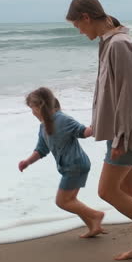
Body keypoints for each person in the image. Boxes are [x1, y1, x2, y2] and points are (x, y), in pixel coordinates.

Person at [66, 0, 132, 260]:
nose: (79, 31)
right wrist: (102, 122)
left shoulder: (119, 44)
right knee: (129, 188)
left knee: (107, 190)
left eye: (78, 25)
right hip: (123, 129)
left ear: (86, 17)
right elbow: (113, 92)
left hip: (128, 131)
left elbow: (129, 95)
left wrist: (121, 138)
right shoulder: (111, 42)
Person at [18, 87, 106, 238]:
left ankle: (96, 215)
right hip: (70, 166)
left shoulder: (62, 119)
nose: (32, 112)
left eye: (32, 108)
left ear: (40, 106)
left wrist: (95, 124)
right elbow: (41, 149)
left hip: (76, 165)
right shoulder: (43, 126)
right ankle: (93, 226)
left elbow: (83, 132)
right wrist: (27, 162)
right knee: (70, 200)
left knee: (62, 201)